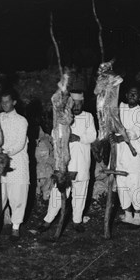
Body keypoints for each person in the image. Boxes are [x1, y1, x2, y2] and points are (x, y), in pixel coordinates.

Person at [38, 90, 97, 233]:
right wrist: (63, 134)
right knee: (58, 194)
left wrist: (78, 138)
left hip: (81, 163)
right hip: (64, 164)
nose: (76, 107)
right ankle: (48, 220)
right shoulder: (63, 117)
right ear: (69, 104)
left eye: (79, 104)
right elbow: (53, 134)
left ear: (82, 103)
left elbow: (93, 136)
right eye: (73, 104)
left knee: (80, 194)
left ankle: (77, 221)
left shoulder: (88, 117)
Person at [0, 89, 29, 240]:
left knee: (17, 196)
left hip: (16, 164)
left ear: (14, 102)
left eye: (8, 101)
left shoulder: (22, 120)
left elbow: (19, 143)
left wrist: (3, 154)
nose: (5, 104)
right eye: (2, 102)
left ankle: (15, 226)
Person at [111, 84, 140, 229]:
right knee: (122, 186)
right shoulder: (120, 108)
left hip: (135, 157)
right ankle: (127, 215)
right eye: (130, 93)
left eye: (136, 94)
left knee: (136, 186)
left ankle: (138, 217)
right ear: (126, 95)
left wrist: (120, 138)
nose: (132, 96)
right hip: (120, 154)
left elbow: (134, 133)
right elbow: (111, 115)